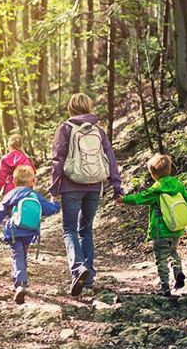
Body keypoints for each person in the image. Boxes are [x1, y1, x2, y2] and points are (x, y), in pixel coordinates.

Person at [49, 93, 123, 296]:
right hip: (94, 186)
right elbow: (110, 158)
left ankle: (78, 268)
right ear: (88, 107)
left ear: (71, 108)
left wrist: (54, 189)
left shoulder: (65, 128)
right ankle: (88, 275)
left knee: (69, 230)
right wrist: (117, 186)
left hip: (71, 186)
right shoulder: (98, 131)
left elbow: (58, 159)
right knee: (86, 230)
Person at [118, 154, 187, 296]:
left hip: (160, 231)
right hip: (176, 229)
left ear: (153, 174)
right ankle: (178, 272)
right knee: (173, 252)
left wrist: (124, 199)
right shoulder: (178, 185)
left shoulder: (156, 190)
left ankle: (165, 288)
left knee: (161, 258)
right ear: (169, 169)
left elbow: (139, 198)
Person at [0, 165, 60, 304]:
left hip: (14, 231)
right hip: (29, 231)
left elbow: (0, 213)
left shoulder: (10, 194)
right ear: (32, 182)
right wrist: (56, 202)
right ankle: (22, 280)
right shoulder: (34, 195)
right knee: (22, 252)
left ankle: (20, 283)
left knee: (17, 254)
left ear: (14, 181)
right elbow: (50, 209)